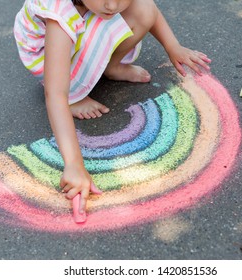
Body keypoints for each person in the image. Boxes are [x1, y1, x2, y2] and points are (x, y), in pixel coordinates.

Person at [14, 0, 211, 214]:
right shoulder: (60, 17)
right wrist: (74, 164)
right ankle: (76, 94)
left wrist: (173, 46)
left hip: (78, 26)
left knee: (142, 8)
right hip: (49, 58)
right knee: (62, 86)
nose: (112, 5)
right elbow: (55, 95)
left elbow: (147, 8)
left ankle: (111, 66)